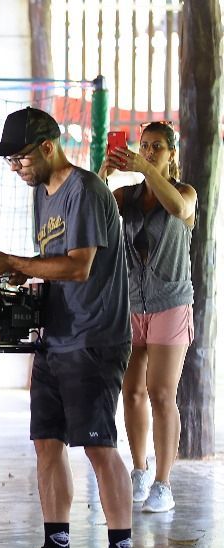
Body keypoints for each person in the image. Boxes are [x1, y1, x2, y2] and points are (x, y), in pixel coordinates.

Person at [0, 107, 138, 548]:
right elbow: (51, 262)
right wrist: (14, 273)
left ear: (48, 147)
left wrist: (14, 261)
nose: (16, 166)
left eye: (20, 157)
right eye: (9, 160)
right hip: (56, 335)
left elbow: (79, 266)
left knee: (98, 445)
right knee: (47, 443)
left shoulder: (84, 190)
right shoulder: (43, 195)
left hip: (93, 337)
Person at [100, 122, 196, 514]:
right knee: (132, 392)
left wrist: (145, 167)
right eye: (144, 146)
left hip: (170, 302)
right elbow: (95, 212)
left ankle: (163, 482)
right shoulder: (127, 196)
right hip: (131, 303)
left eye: (157, 146)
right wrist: (104, 174)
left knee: (160, 393)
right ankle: (139, 470)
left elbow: (178, 209)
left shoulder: (183, 192)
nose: (150, 150)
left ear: (171, 154)